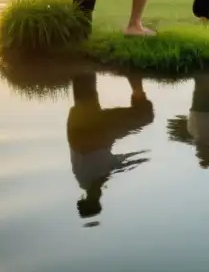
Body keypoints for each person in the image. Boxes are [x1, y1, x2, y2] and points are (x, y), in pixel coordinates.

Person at [66, 73, 155, 220]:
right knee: (85, 97)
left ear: (93, 199)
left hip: (95, 133)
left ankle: (135, 79)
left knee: (145, 116)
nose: (100, 196)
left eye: (97, 199)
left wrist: (137, 161)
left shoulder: (94, 179)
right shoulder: (81, 177)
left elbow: (109, 161)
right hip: (76, 125)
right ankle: (83, 66)